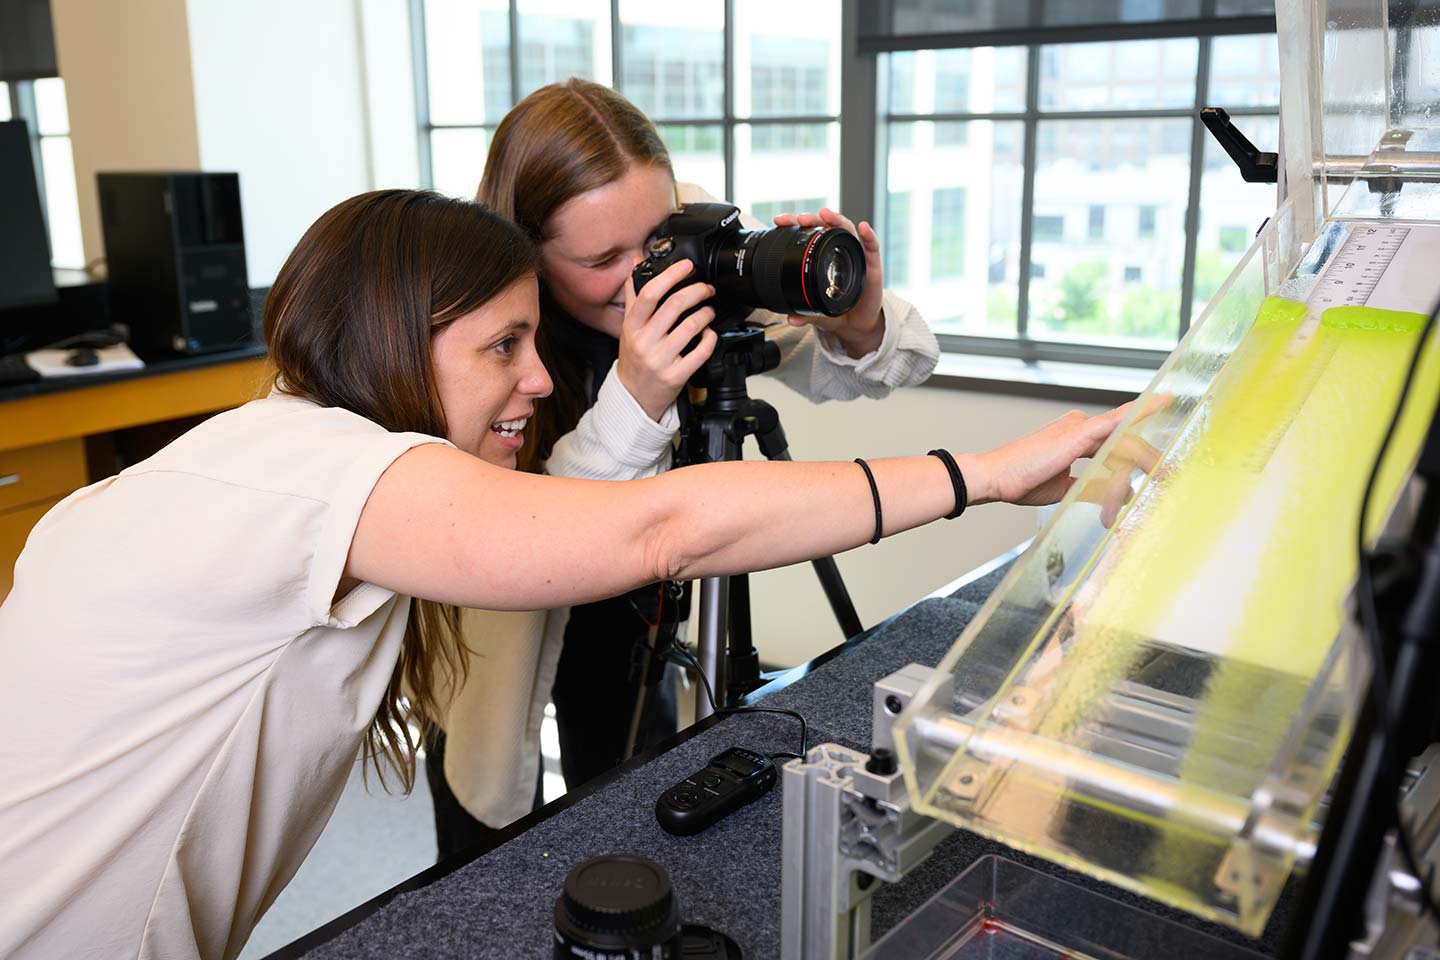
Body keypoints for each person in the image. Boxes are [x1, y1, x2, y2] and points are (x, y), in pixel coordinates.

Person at [0, 188, 1128, 960]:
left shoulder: (267, 451)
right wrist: (981, 474)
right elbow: (656, 530)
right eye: (502, 347)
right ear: (393, 334)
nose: (538, 379)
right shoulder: (315, 473)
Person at [424, 78, 941, 855]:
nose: (645, 276)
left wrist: (858, 318)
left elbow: (852, 359)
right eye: (604, 259)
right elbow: (513, 526)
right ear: (526, 254)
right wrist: (638, 392)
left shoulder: (680, 237)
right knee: (486, 811)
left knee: (641, 790)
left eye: (655, 238)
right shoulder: (471, 304)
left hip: (641, 585)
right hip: (498, 603)